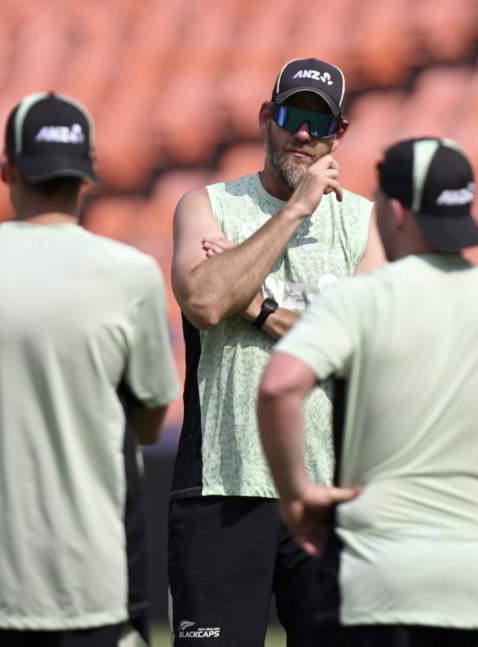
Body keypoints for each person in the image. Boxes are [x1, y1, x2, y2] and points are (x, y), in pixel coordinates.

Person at [257, 137, 478, 646]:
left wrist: (298, 496)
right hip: (475, 582)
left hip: (371, 576)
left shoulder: (356, 302)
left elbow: (279, 388)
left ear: (395, 210)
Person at [0, 91, 181, 647]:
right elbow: (150, 420)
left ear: (6, 169)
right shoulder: (133, 275)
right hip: (91, 579)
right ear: (88, 177)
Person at [167, 57, 384, 645]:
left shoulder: (365, 223)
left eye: (322, 124)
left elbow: (369, 353)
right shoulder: (206, 203)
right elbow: (207, 303)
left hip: (330, 492)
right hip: (223, 482)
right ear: (267, 117)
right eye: (293, 116)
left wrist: (259, 307)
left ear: (339, 136)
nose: (306, 135)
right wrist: (295, 211)